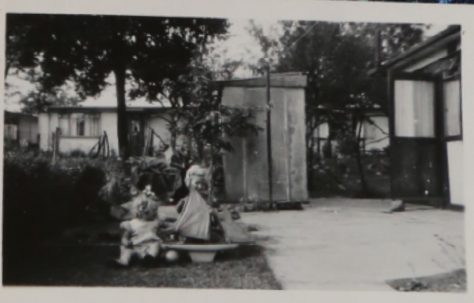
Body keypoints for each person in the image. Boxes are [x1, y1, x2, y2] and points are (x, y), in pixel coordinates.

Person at [112, 197, 162, 267]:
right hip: (134, 246)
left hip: (148, 246)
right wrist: (125, 241)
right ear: (145, 212)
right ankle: (123, 262)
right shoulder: (131, 223)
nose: (156, 213)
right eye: (154, 211)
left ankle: (149, 259)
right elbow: (125, 236)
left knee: (156, 245)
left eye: (155, 211)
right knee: (127, 250)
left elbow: (161, 232)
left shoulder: (155, 222)